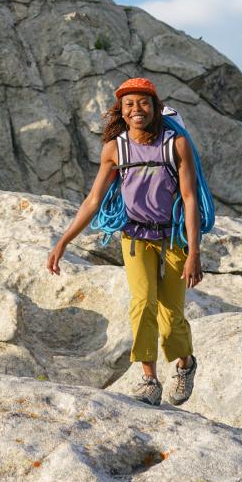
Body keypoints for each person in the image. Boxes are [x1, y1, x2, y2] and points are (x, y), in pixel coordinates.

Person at [46, 77, 203, 406]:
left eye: (143, 103)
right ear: (121, 110)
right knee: (142, 303)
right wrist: (63, 242)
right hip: (135, 235)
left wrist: (194, 254)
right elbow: (92, 201)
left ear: (156, 107)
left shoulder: (176, 145)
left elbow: (189, 198)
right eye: (129, 104)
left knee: (171, 316)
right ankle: (149, 378)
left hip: (173, 234)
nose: (137, 110)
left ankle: (185, 364)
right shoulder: (114, 150)